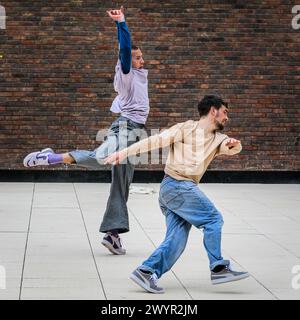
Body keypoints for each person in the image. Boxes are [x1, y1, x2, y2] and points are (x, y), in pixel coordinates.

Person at [23, 6, 149, 255]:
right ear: (126, 61)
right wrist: (121, 23)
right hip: (126, 129)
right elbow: (124, 50)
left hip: (135, 133)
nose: (141, 61)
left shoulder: (139, 76)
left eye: (141, 57)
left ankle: (112, 233)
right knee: (102, 158)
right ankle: (51, 157)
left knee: (122, 184)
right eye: (137, 58)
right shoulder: (126, 75)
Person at [104, 95, 250, 293]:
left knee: (177, 239)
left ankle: (146, 272)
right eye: (225, 112)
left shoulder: (219, 138)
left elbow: (230, 148)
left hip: (174, 192)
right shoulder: (186, 128)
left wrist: (234, 144)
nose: (227, 117)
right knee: (213, 219)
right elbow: (155, 141)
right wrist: (123, 153)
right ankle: (219, 267)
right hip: (177, 185)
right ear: (213, 111)